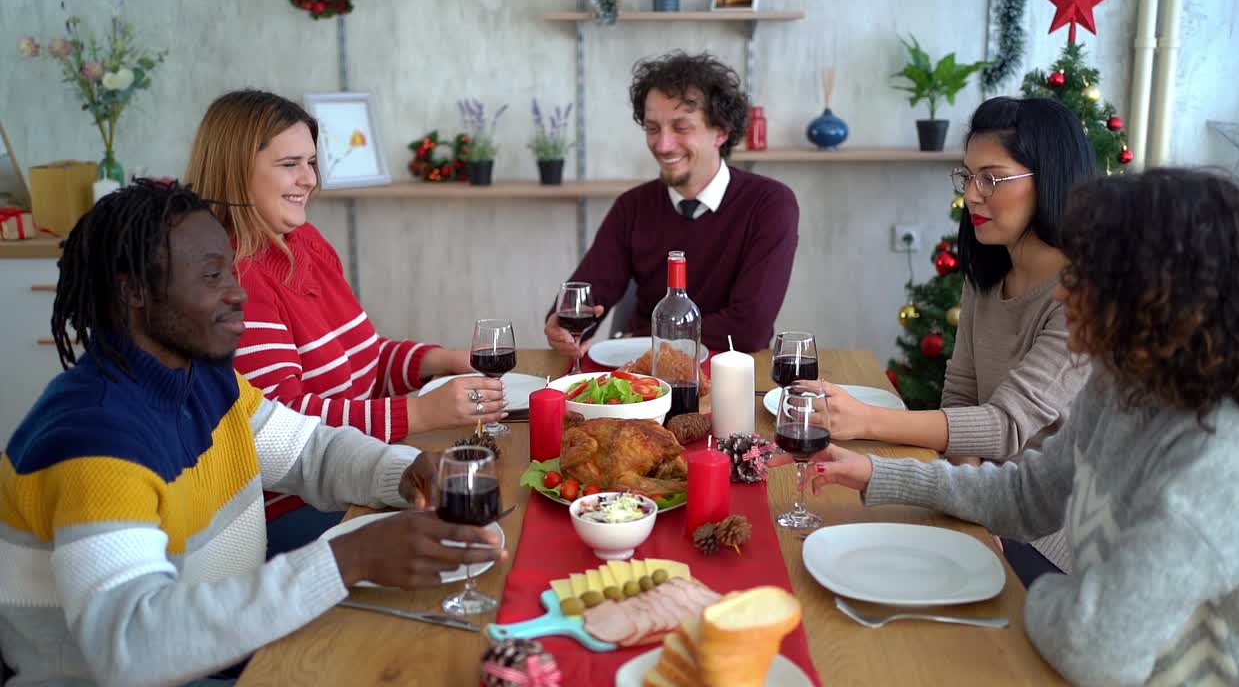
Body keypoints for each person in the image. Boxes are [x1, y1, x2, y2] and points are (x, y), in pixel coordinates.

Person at [0, 181, 505, 686]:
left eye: (232, 272)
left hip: (226, 651)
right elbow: (132, 644)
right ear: (134, 290)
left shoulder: (203, 376)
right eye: (212, 276)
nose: (238, 293)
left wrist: (403, 471)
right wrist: (353, 557)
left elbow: (310, 450)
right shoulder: (96, 440)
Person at [804, 169, 1239, 685]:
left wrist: (1040, 589)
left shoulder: (1225, 460)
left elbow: (1095, 649)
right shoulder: (1120, 385)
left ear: (1157, 300)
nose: (1059, 295)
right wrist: (878, 474)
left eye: (1083, 278)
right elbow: (1029, 493)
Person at [186, 90, 505, 548]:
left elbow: (365, 358)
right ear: (237, 170)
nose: (309, 179)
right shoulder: (233, 280)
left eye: (311, 162)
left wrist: (446, 359)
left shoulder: (305, 242)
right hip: (290, 510)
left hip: (354, 476)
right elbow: (286, 428)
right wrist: (420, 411)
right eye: (290, 164)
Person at [799, 96, 1095, 581]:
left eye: (991, 179)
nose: (972, 195)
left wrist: (866, 419)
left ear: (1050, 179)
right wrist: (973, 502)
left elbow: (1003, 425)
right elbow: (961, 396)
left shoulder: (1083, 300)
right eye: (967, 177)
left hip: (1055, 540)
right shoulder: (988, 274)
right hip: (990, 500)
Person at [544, 51, 799, 356]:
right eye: (653, 128)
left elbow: (749, 328)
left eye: (681, 127)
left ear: (721, 132)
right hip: (644, 378)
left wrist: (638, 339)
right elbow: (582, 299)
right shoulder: (632, 207)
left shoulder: (769, 204)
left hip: (728, 376)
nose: (663, 145)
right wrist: (559, 326)